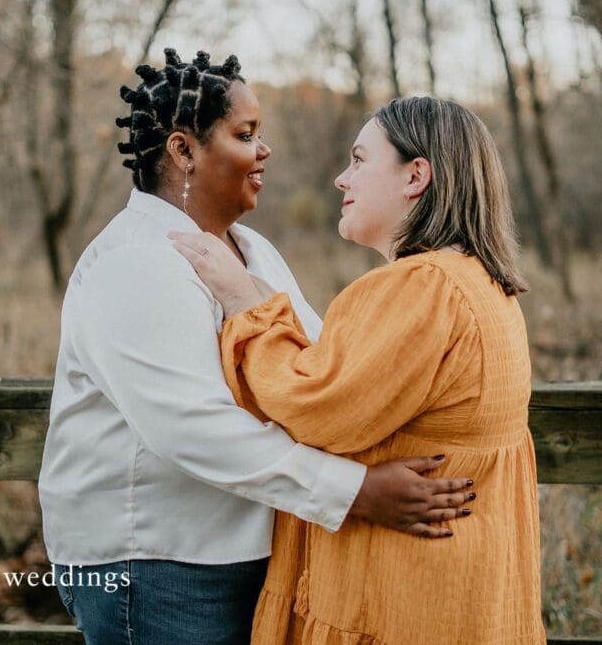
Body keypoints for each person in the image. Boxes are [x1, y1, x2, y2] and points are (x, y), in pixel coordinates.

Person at [38, 51, 476, 645]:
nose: (264, 149)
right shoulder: (136, 263)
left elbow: (315, 368)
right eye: (245, 135)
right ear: (183, 150)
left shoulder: (251, 250)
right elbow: (193, 428)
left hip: (243, 551)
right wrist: (354, 493)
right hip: (154, 567)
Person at [170, 96, 545, 644]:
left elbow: (313, 405)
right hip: (463, 594)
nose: (341, 179)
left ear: (416, 175)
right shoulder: (483, 286)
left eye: (360, 160)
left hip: (402, 601)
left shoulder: (423, 288)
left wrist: (241, 301)